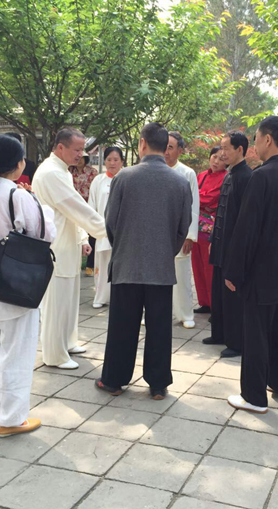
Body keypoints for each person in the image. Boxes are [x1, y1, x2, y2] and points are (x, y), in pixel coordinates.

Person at [95, 122, 192, 400]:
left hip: (127, 262)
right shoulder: (180, 182)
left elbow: (110, 222)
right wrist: (166, 250)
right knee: (159, 327)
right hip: (161, 266)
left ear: (142, 144)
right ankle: (158, 384)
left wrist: (123, 246)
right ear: (165, 147)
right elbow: (183, 226)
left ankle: (114, 380)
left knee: (122, 326)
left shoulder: (124, 177)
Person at [0, 134, 56, 437]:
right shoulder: (17, 196)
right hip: (15, 288)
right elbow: (45, 234)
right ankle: (12, 419)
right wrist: (36, 201)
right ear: (18, 164)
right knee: (17, 354)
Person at [224, 116, 278, 413]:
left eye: (257, 139)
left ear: (268, 139)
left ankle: (254, 397)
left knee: (257, 334)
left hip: (262, 273)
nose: (255, 146)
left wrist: (234, 270)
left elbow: (246, 229)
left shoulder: (261, 176)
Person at [32, 128, 106, 370]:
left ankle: (68, 341)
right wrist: (108, 230)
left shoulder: (62, 170)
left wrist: (83, 238)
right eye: (76, 150)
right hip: (57, 246)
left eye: (82, 150)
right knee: (56, 303)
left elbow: (72, 209)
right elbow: (75, 207)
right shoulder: (51, 173)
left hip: (67, 243)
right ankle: (55, 354)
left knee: (69, 300)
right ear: (60, 147)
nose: (80, 155)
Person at [203, 131, 253, 358]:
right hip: (220, 243)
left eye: (226, 148)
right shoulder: (229, 174)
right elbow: (220, 212)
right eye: (221, 148)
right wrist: (213, 239)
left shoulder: (247, 177)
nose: (222, 153)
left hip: (234, 245)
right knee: (218, 292)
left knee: (232, 294)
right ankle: (219, 333)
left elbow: (244, 218)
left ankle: (236, 342)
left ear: (240, 149)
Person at [165, 131, 199, 329]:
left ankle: (185, 313)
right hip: (158, 233)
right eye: (164, 146)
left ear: (180, 150)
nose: (166, 151)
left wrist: (190, 236)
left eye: (170, 147)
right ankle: (152, 312)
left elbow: (194, 207)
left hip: (179, 233)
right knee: (154, 278)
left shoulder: (187, 173)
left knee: (182, 277)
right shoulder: (155, 171)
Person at [191, 146, 227, 314]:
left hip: (211, 230)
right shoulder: (202, 175)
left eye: (221, 158)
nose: (216, 161)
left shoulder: (225, 178)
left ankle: (214, 304)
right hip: (196, 227)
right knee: (197, 265)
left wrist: (199, 196)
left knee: (209, 267)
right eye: (214, 157)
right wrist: (200, 197)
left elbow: (209, 198)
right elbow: (194, 195)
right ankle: (204, 302)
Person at [88, 146, 124, 308]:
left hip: (122, 231)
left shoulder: (126, 179)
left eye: (116, 160)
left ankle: (119, 298)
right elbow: (92, 205)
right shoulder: (98, 180)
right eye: (109, 159)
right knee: (102, 264)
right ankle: (100, 297)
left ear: (122, 162)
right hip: (102, 229)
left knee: (120, 265)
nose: (112, 163)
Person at [69, 154, 99, 276]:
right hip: (73, 207)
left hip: (88, 206)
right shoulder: (69, 171)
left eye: (82, 158)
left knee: (91, 235)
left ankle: (90, 265)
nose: (79, 160)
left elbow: (95, 189)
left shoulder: (92, 172)